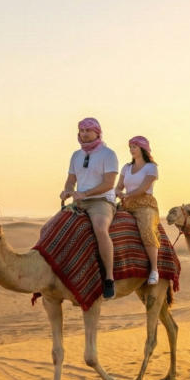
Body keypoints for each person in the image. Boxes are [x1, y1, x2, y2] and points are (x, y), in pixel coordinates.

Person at [60, 118, 119, 298]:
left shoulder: (108, 154)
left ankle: (109, 278)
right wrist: (67, 191)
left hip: (101, 200)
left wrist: (85, 194)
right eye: (81, 130)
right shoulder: (76, 155)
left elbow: (109, 184)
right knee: (55, 226)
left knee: (100, 229)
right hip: (79, 200)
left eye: (87, 130)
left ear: (97, 132)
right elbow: (71, 181)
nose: (83, 134)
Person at [116, 136, 160, 285]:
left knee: (147, 227)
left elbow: (143, 189)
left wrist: (126, 194)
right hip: (126, 204)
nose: (131, 149)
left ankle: (154, 270)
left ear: (142, 148)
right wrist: (115, 193)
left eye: (134, 146)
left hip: (145, 204)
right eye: (130, 147)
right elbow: (119, 186)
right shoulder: (126, 167)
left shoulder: (151, 167)